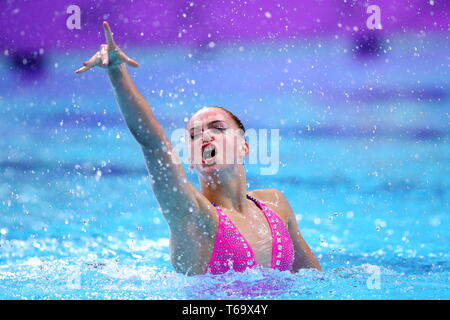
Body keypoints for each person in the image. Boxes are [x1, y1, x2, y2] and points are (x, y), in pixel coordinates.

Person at [75, 21, 322, 275]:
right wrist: (117, 73)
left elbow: (316, 281)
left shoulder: (275, 204)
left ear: (244, 147)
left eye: (217, 128)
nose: (205, 136)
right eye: (193, 135)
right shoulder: (192, 215)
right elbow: (153, 144)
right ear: (191, 160)